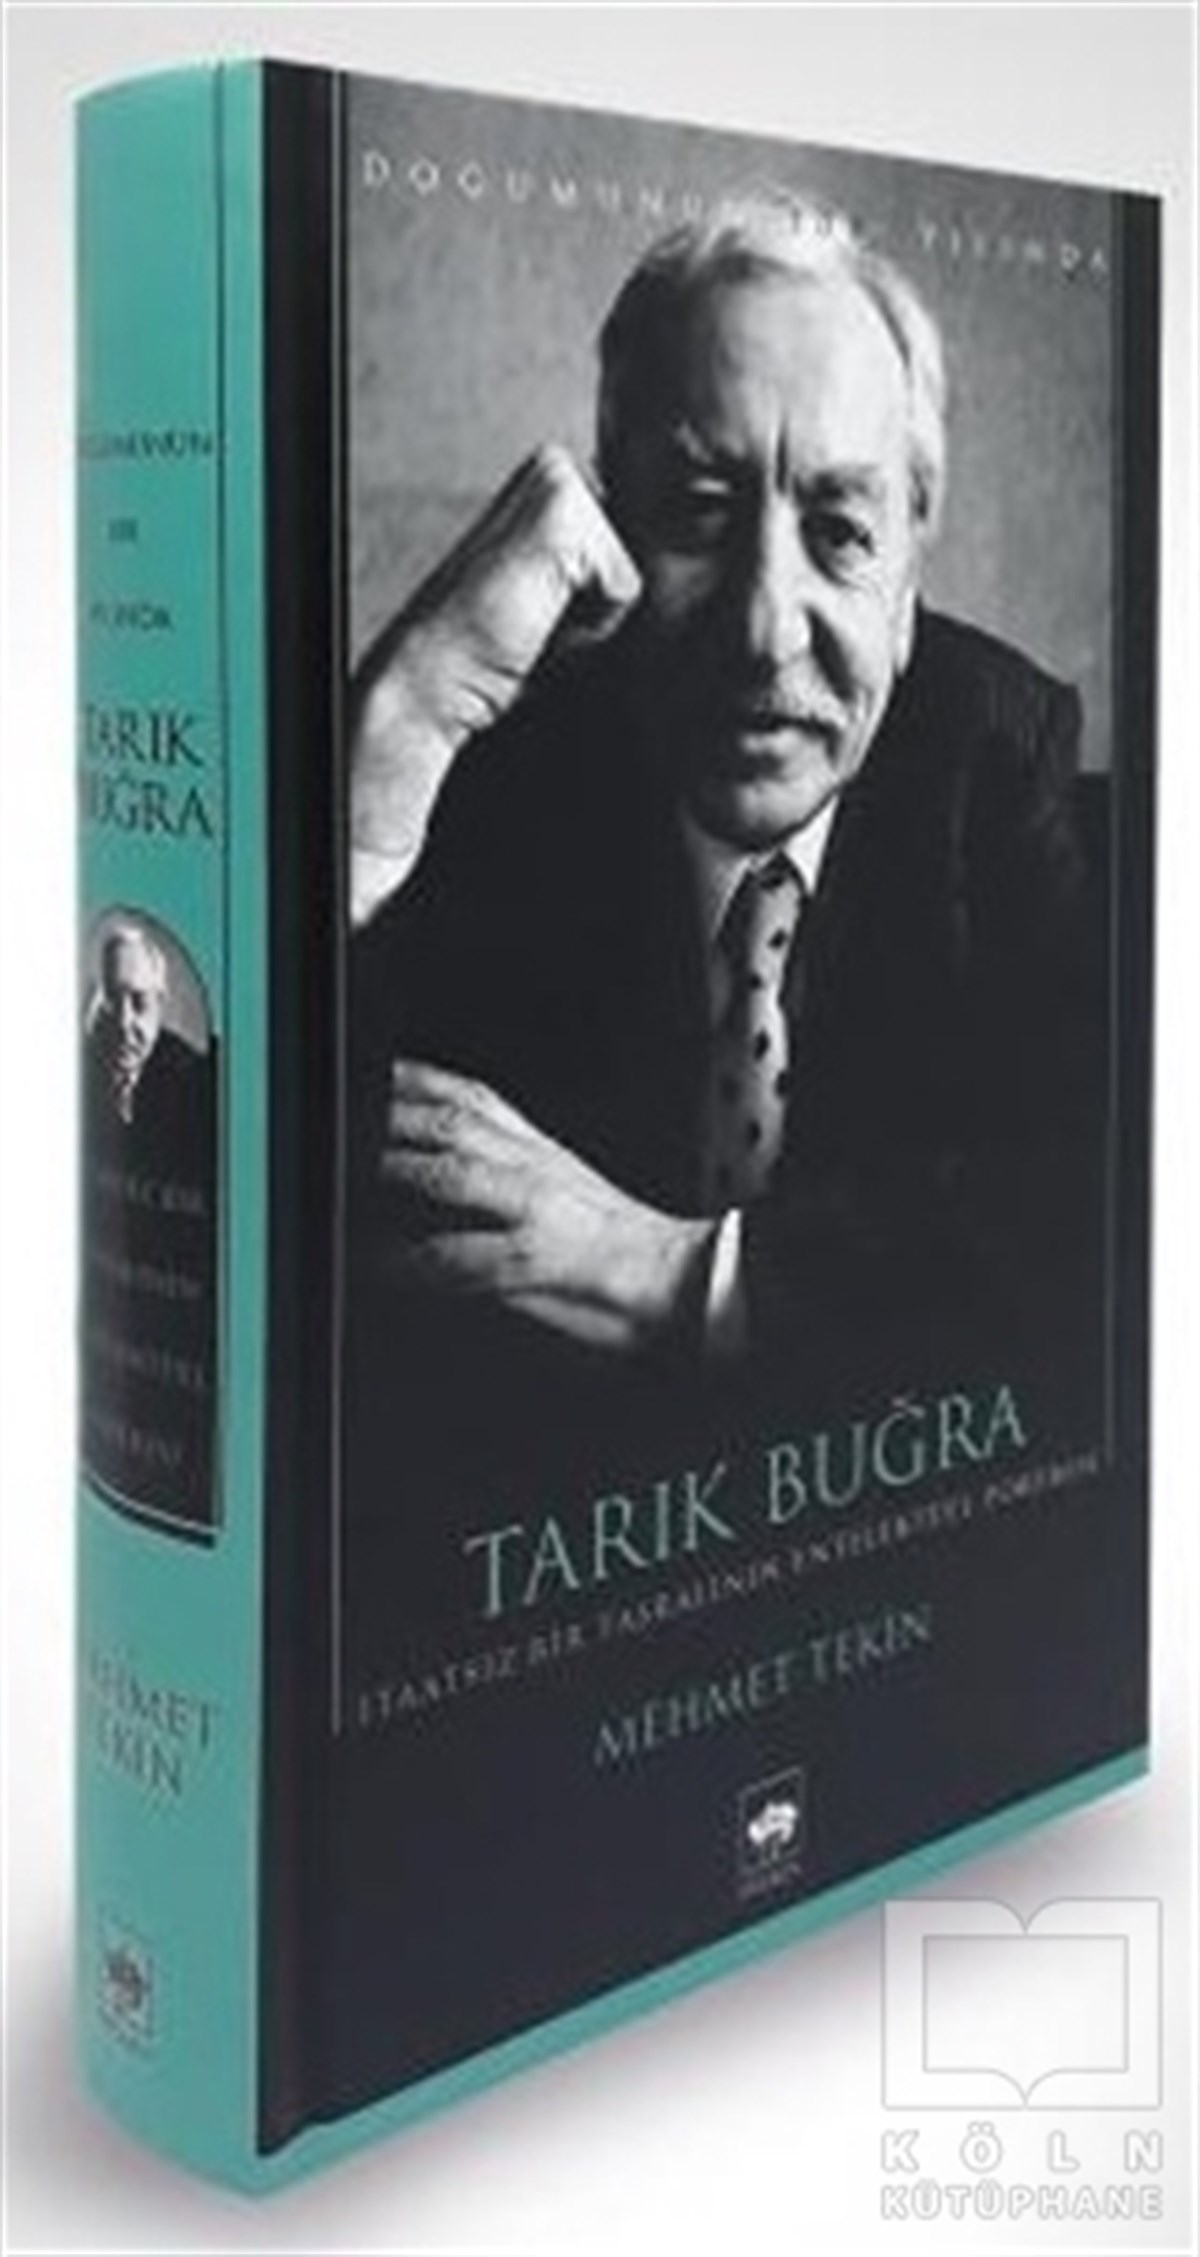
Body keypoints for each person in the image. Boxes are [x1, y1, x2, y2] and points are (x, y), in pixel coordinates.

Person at [346, 193, 1104, 1449]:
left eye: (841, 533)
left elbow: (1085, 1228)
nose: (764, 628)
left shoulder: (997, 750)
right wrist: (401, 718)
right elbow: (281, 1180)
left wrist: (665, 1270)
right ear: (611, 528)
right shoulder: (508, 761)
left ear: (909, 578)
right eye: (699, 511)